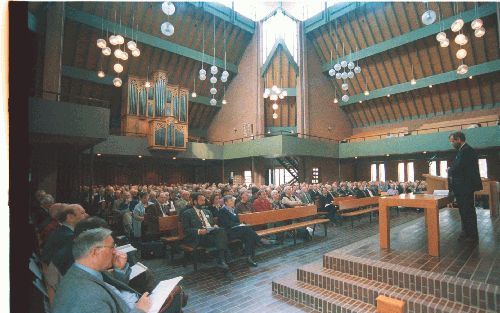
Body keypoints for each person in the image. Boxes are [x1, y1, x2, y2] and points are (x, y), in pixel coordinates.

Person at [51, 228, 152, 313]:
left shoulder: (83, 271)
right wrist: (140, 310)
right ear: (95, 252)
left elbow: (113, 289)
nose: (115, 251)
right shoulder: (88, 296)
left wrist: (119, 270)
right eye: (112, 247)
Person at [181, 193, 233, 279]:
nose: (204, 202)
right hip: (198, 237)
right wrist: (199, 231)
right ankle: (224, 258)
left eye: (204, 200)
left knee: (221, 230)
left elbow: (212, 224)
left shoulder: (207, 211)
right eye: (201, 200)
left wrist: (214, 226)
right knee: (220, 237)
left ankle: (221, 260)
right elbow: (186, 230)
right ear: (194, 201)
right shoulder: (187, 213)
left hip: (209, 234)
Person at [448, 131, 482, 243]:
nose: (452, 143)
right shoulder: (462, 150)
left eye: (453, 141)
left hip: (465, 186)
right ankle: (467, 232)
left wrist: (450, 170)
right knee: (465, 211)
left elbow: (459, 167)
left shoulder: (466, 150)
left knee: (467, 211)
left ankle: (471, 235)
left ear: (459, 139)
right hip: (464, 186)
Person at [217, 196, 261, 267]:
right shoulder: (222, 211)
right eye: (230, 201)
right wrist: (240, 224)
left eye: (232, 200)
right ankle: (260, 240)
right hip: (228, 232)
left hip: (237, 230)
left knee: (248, 236)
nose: (233, 202)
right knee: (247, 229)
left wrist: (240, 224)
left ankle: (248, 258)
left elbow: (237, 221)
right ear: (226, 202)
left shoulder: (233, 210)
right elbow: (227, 224)